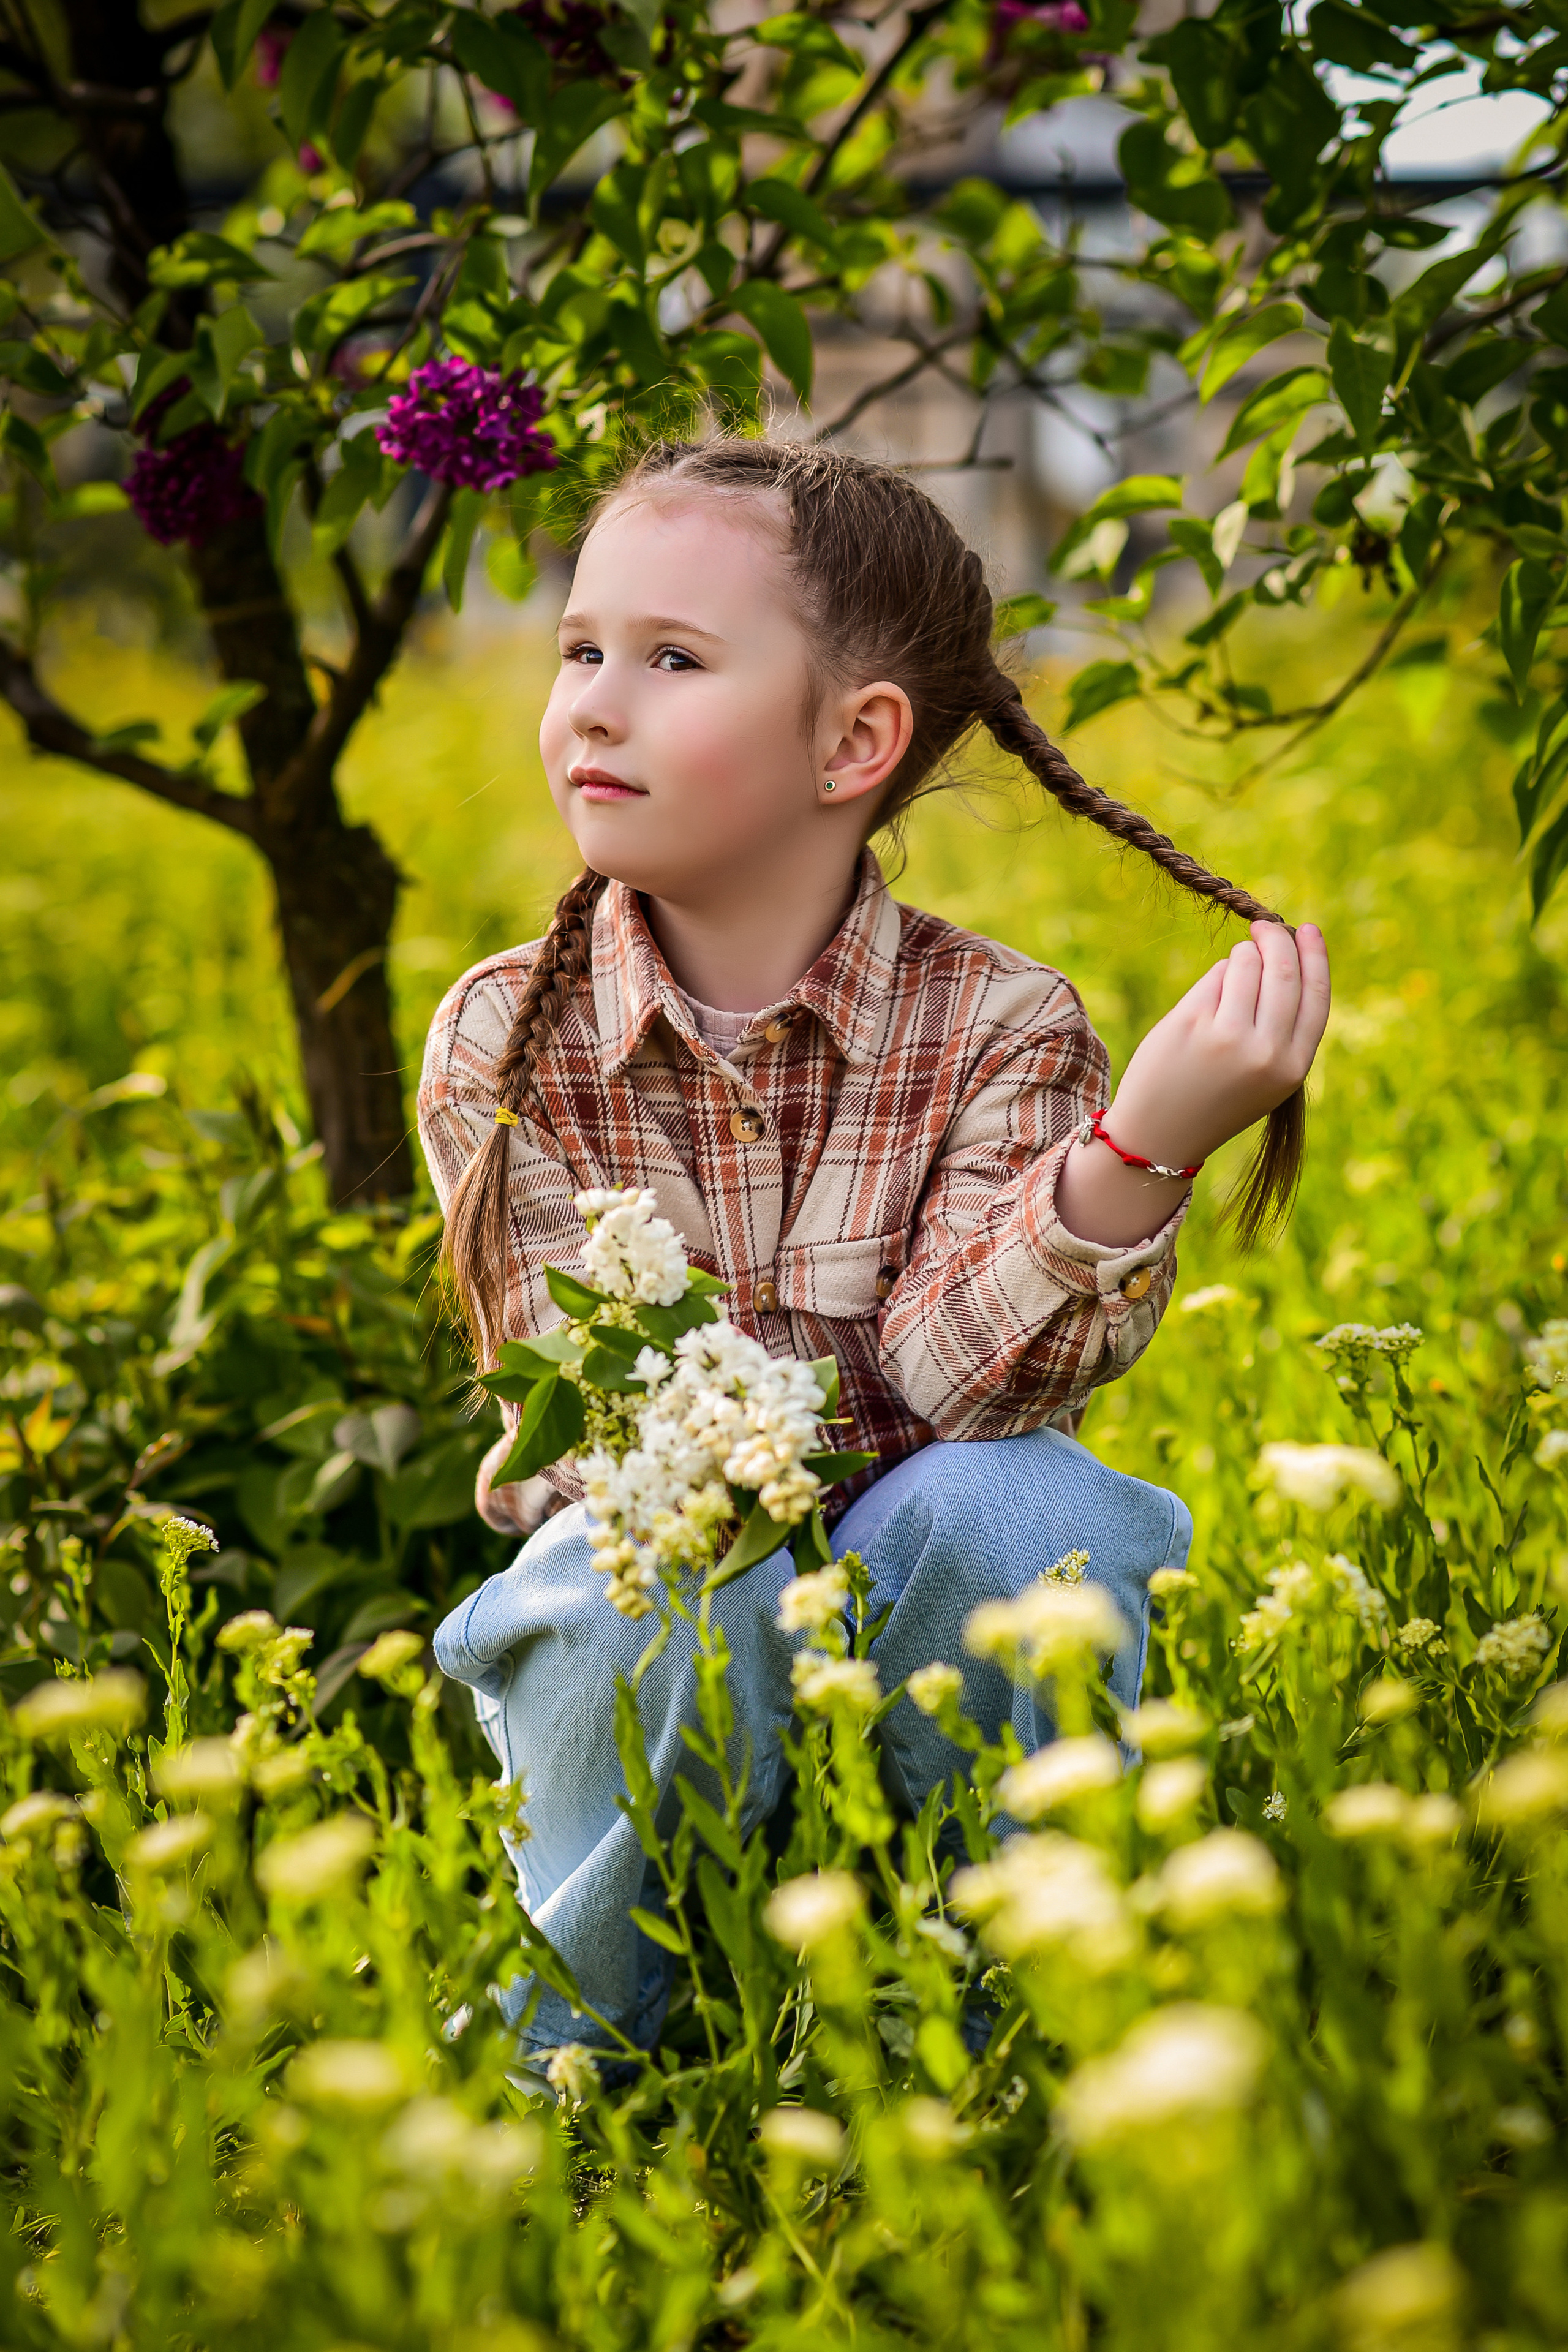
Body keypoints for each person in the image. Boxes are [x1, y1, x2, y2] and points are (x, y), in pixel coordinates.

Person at [420, 438, 1331, 2066]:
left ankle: (1030, 2009)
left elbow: (951, 1381)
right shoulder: (505, 1034)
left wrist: (1138, 1150)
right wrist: (787, 1493)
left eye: (671, 659)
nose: (594, 705)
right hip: (662, 1595)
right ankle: (579, 2064)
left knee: (1026, 1508)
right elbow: (614, 1424)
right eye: (581, 650)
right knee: (634, 1581)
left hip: (917, 1599)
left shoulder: (1001, 1022)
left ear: (856, 740)